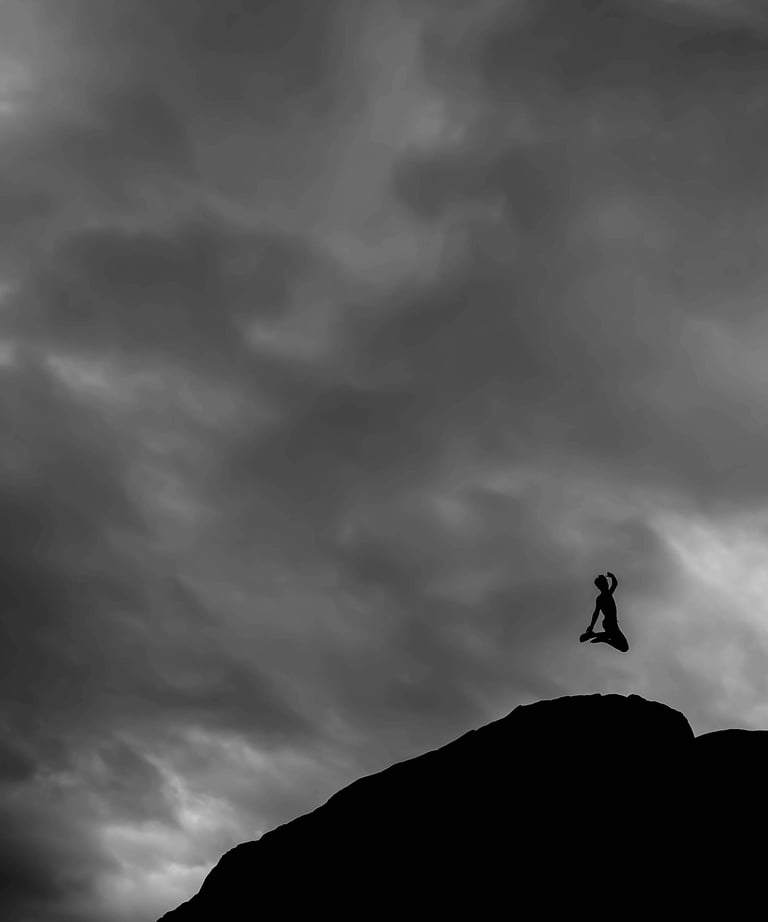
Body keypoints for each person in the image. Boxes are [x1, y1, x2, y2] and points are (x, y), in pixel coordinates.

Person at [579, 571, 629, 652]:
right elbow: (596, 613)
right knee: (624, 647)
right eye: (605, 582)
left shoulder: (606, 595)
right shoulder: (604, 596)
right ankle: (601, 638)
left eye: (606, 582)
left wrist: (612, 577)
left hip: (610, 623)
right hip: (610, 623)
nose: (607, 584)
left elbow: (615, 584)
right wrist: (591, 625)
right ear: (600, 586)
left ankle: (596, 636)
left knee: (622, 645)